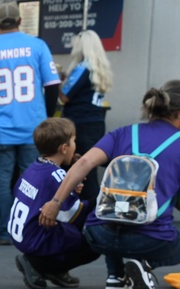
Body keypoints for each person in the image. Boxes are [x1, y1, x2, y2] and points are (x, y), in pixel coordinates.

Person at [38, 81, 180, 289]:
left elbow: (83, 164)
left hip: (99, 233)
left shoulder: (123, 133)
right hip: (150, 239)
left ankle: (116, 276)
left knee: (116, 213)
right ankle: (143, 264)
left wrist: (55, 203)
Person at [0, 1, 60, 245]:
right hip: (33, 127)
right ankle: (33, 230)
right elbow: (52, 85)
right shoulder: (37, 46)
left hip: (1, 129)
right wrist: (47, 118)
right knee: (35, 180)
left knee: (1, 180)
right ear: (20, 21)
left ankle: (3, 231)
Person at [9, 118, 98, 289]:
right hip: (35, 237)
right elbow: (73, 214)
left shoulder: (34, 167)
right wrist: (98, 201)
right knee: (94, 242)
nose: (75, 145)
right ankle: (39, 264)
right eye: (73, 141)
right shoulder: (57, 175)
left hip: (22, 232)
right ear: (64, 148)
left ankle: (53, 268)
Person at [60, 30, 113, 207]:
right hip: (96, 124)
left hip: (79, 125)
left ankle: (85, 214)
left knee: (79, 171)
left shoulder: (82, 67)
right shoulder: (100, 69)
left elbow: (64, 97)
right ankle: (94, 213)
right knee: (90, 171)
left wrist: (54, 81)